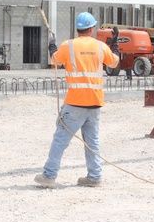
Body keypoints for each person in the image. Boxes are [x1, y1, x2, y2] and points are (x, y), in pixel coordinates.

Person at [35, 12, 119, 188]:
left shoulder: (68, 45)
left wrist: (52, 45)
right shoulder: (100, 46)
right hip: (95, 103)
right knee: (92, 142)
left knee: (60, 140)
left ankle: (49, 176)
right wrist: (115, 45)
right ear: (92, 28)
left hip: (74, 103)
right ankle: (95, 177)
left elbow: (55, 60)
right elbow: (114, 63)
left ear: (78, 29)